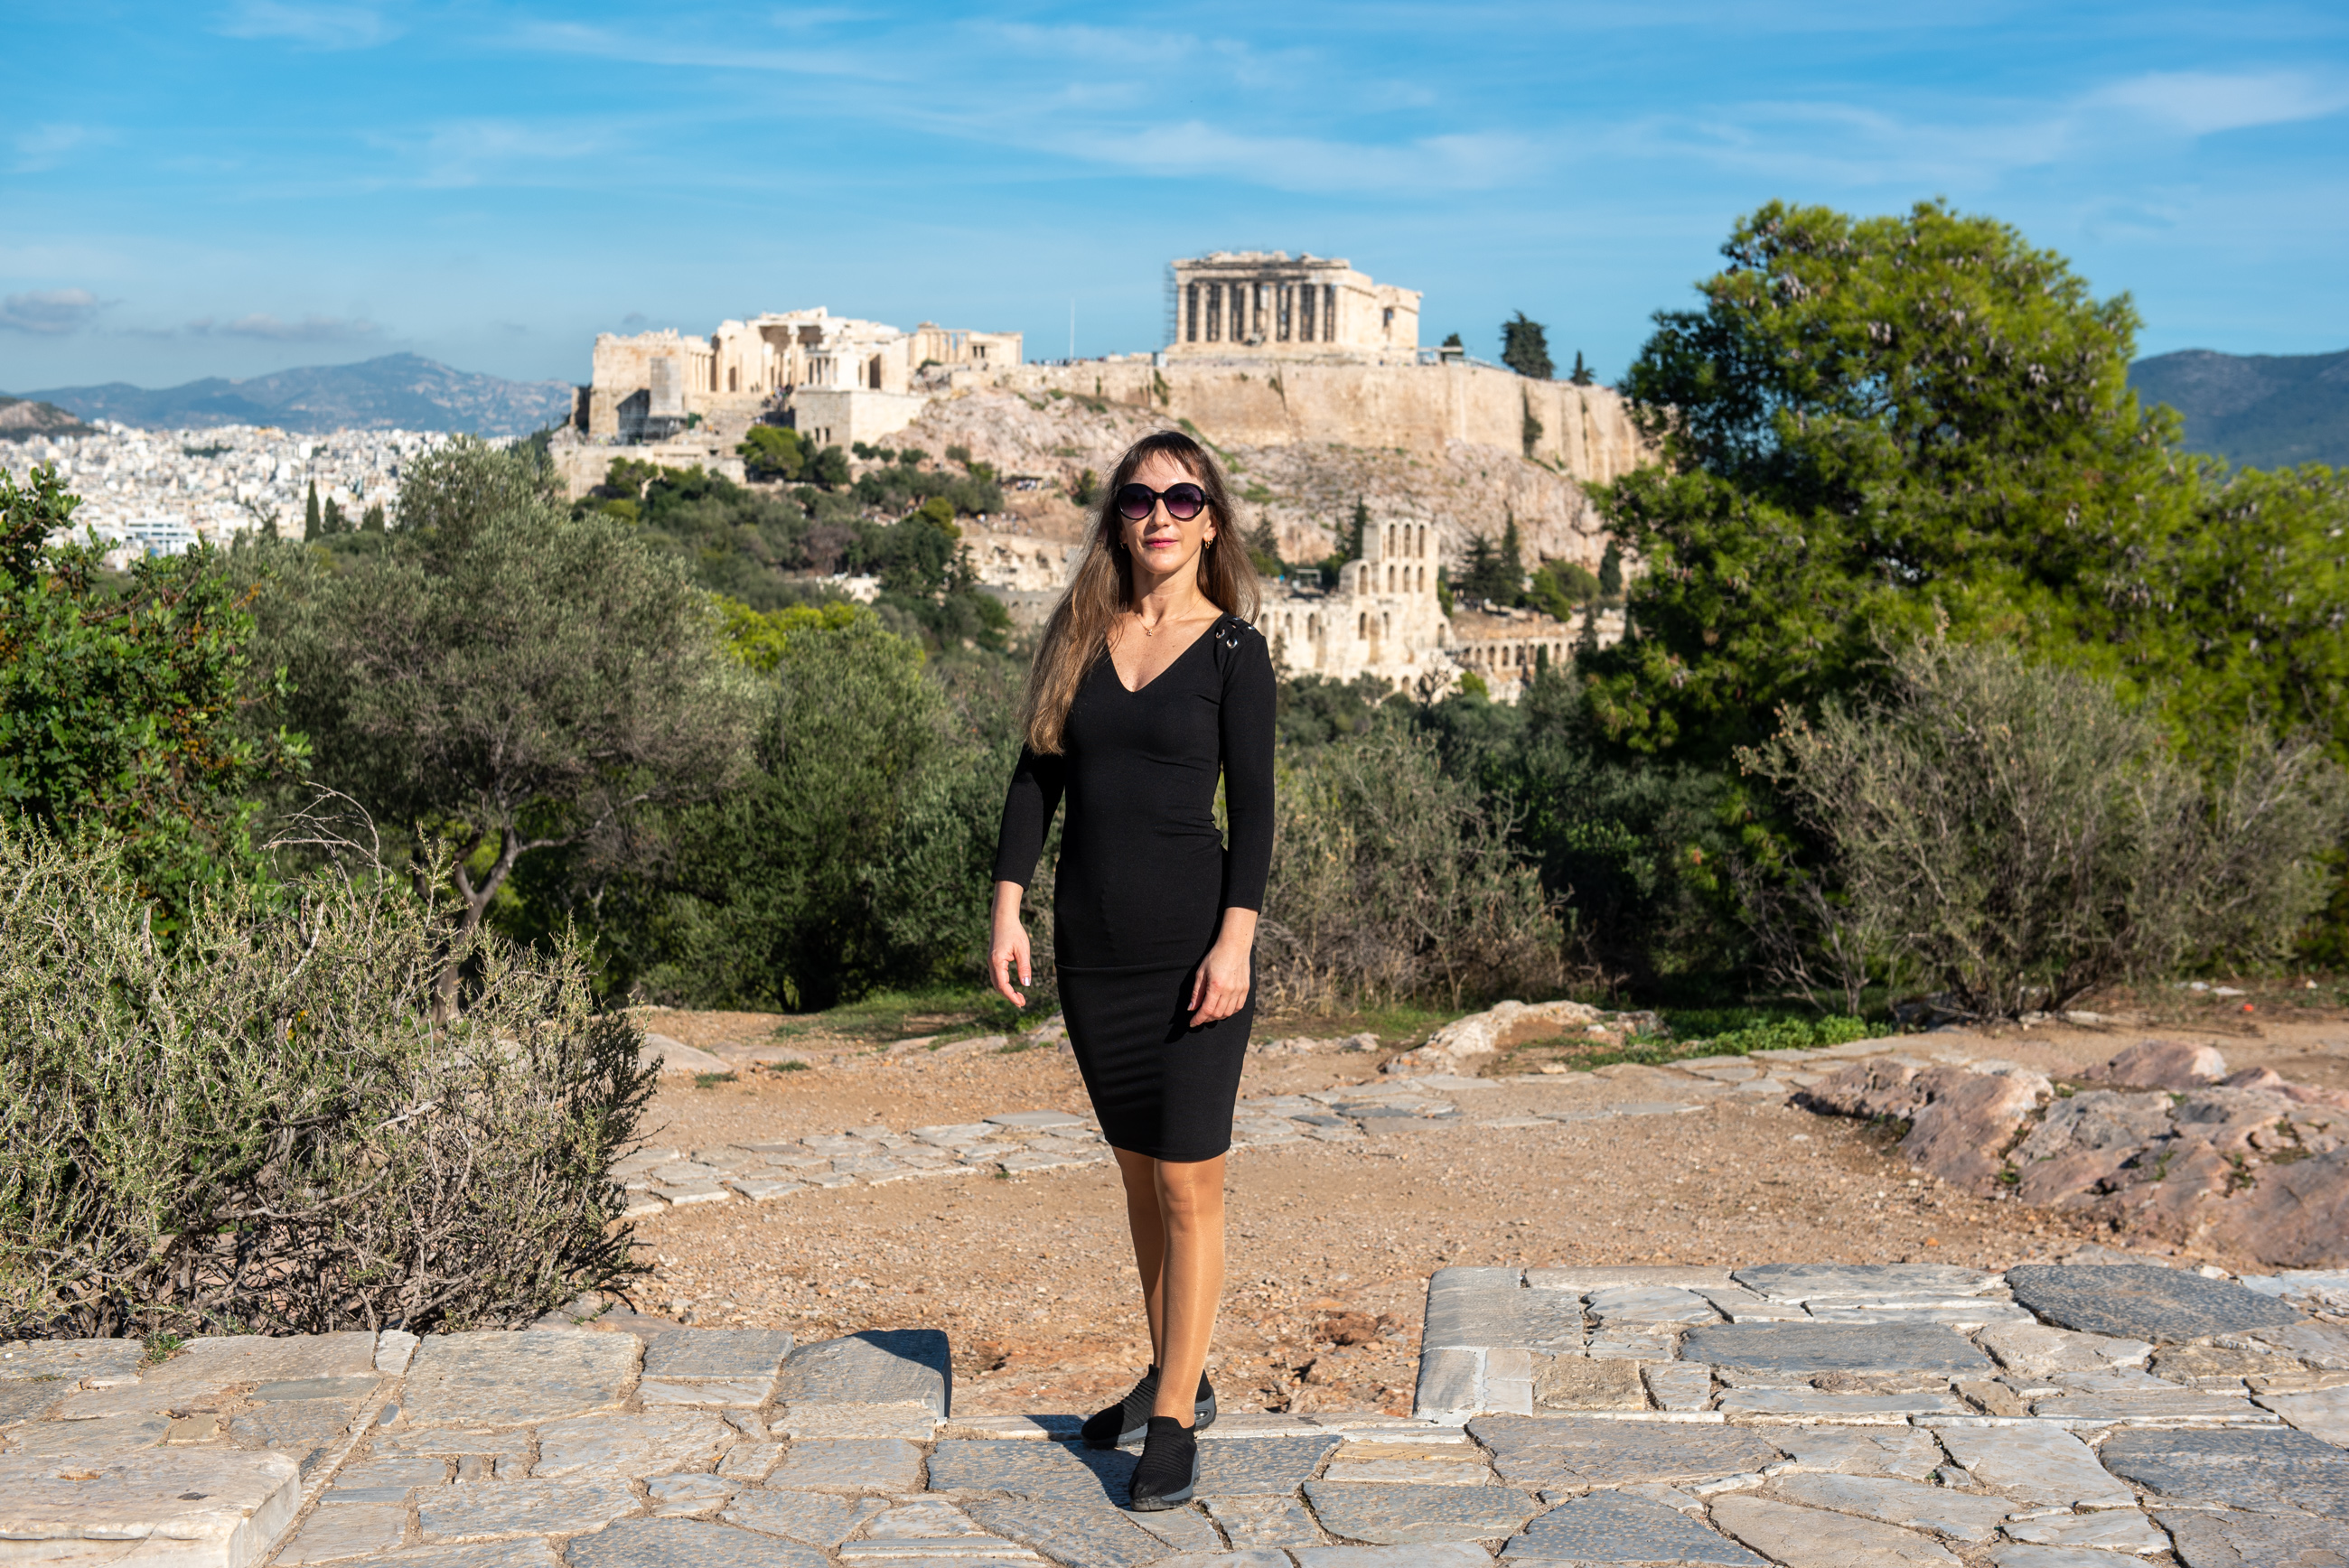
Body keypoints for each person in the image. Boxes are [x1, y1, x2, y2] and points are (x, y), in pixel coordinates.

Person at [988, 429, 1275, 1510]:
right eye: (1138, 498)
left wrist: (1235, 938)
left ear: (1212, 518)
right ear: (1116, 516)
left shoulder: (1233, 652)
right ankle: (1174, 1373)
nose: (1159, 515)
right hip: (1091, 954)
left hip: (1194, 949)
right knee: (1137, 1184)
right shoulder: (1082, 630)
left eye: (1182, 497)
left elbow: (1254, 811)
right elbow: (1034, 777)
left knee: (1188, 1184)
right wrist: (1007, 907)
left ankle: (1168, 1422)